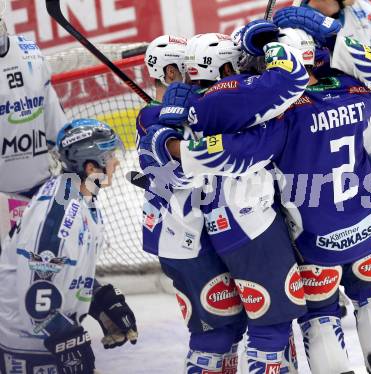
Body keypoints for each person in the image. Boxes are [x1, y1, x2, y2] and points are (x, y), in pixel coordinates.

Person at [162, 23, 371, 373]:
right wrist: (329, 31)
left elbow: (240, 150)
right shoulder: (356, 92)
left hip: (315, 242)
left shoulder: (281, 117)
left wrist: (179, 146)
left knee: (321, 317)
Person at [144, 28, 314, 372]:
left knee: (221, 334)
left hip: (191, 230)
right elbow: (288, 83)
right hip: (228, 226)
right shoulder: (222, 98)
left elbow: (166, 163)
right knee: (271, 324)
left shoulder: (157, 115)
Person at [280, 0, 371, 316]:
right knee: (313, 203)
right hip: (320, 128)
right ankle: (328, 282)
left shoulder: (365, 13)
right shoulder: (291, 20)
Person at [136, 35, 247, 374]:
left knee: (227, 329)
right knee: (215, 332)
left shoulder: (183, 111)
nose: (200, 76)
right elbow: (176, 172)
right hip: (185, 240)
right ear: (172, 72)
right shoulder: (155, 117)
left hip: (185, 237)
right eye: (190, 69)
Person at [0, 119, 138, 374]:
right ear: (90, 166)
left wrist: (97, 297)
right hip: (29, 347)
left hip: (40, 337)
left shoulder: (80, 196)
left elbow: (58, 270)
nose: (116, 163)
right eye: (109, 157)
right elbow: (37, 304)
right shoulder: (58, 216)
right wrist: (69, 343)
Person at [0, 7, 67, 250]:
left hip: (41, 190)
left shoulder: (29, 51)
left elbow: (54, 121)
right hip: (2, 200)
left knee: (47, 267)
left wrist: (70, 150)